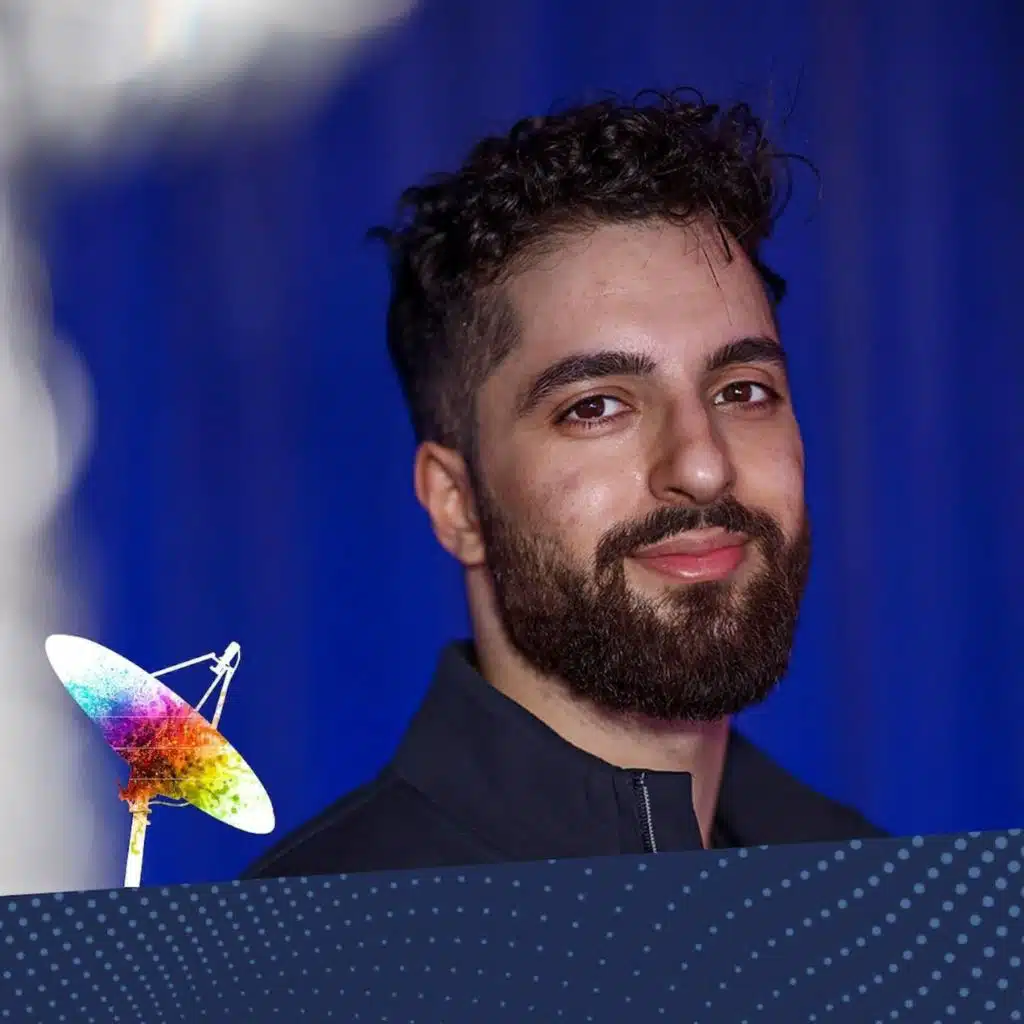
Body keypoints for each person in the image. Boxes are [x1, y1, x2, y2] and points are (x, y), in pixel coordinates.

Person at [246, 89, 883, 880]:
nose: (702, 465)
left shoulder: (883, 896)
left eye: (742, 391)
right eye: (596, 407)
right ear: (457, 502)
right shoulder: (310, 937)